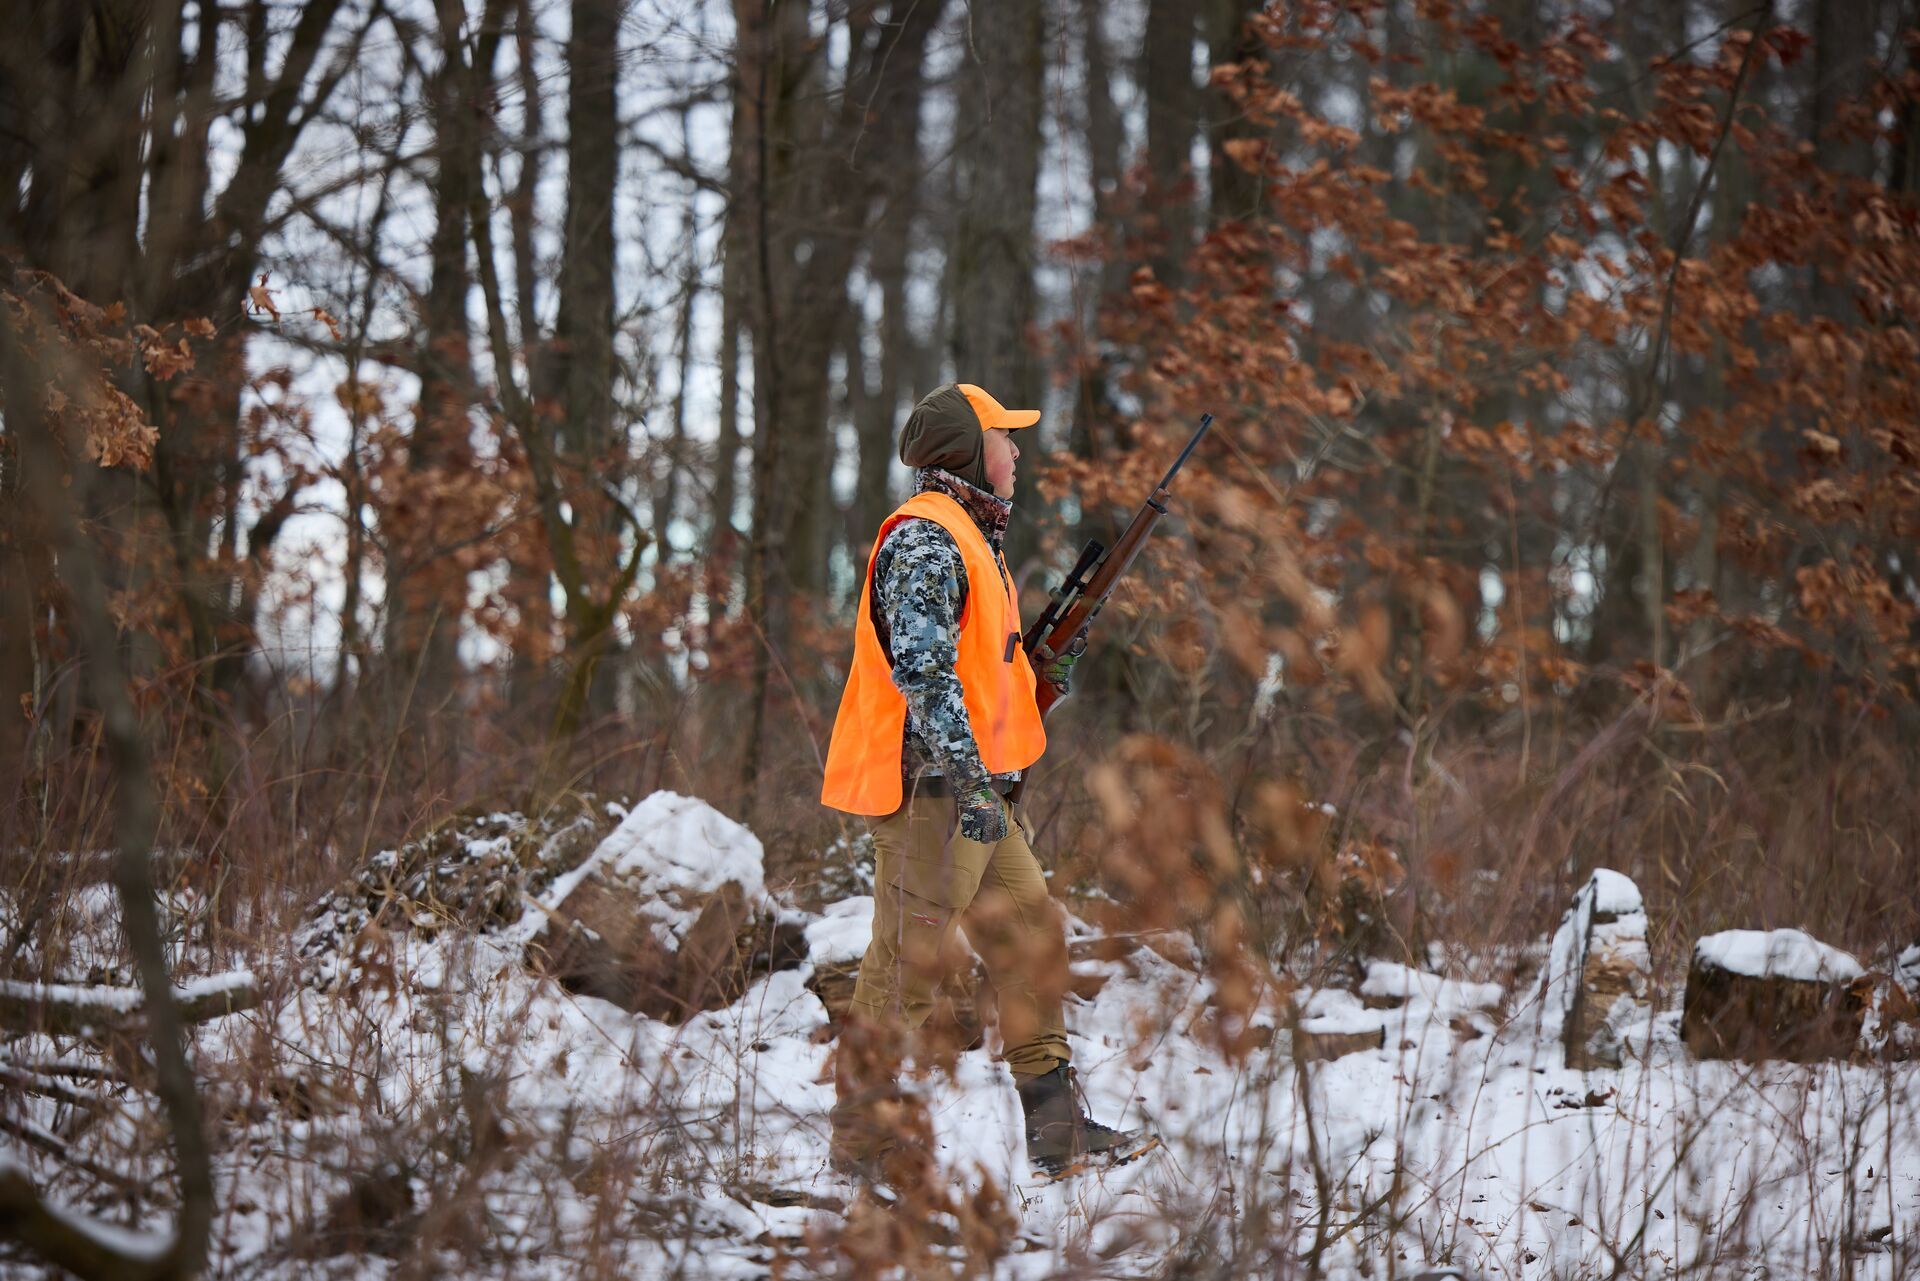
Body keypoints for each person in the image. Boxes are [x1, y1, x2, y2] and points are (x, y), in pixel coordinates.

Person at [819, 381, 1153, 1181]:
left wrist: (1040, 674)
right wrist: (973, 786)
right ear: (970, 450)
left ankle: (1055, 1130)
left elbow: (974, 672)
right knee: (904, 968)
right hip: (937, 794)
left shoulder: (971, 538)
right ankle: (864, 1150)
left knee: (1030, 933)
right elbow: (925, 676)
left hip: (972, 794)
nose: (1017, 453)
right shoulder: (929, 539)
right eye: (1005, 437)